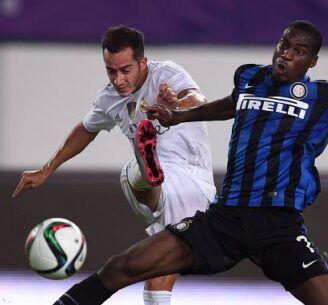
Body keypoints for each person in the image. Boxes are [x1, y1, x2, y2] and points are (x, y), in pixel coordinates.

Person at [52, 11, 328, 305]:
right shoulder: (251, 78)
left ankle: (145, 181)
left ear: (312, 62)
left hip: (278, 224)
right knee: (123, 267)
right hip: (225, 217)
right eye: (283, 45)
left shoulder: (324, 98)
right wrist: (179, 117)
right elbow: (229, 106)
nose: (286, 55)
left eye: (299, 51)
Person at [12, 26, 216, 305]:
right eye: (111, 70)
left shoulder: (165, 74)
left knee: (159, 268)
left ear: (142, 63)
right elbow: (85, 130)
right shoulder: (109, 98)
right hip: (156, 180)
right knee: (135, 174)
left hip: (192, 180)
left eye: (126, 70)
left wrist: (177, 105)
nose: (118, 79)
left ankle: (148, 169)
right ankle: (149, 167)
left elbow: (199, 99)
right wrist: (46, 169)